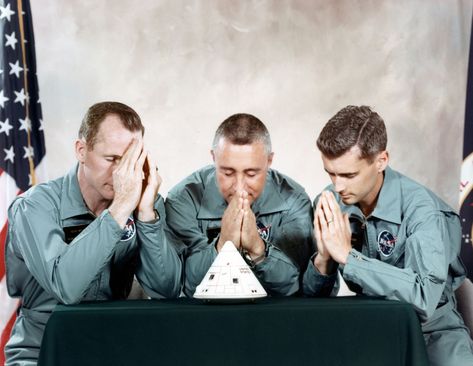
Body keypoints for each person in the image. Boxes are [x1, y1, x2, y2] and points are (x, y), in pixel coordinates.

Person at [4, 101, 182, 365]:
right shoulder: (35, 206)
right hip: (43, 353)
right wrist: (120, 208)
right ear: (81, 150)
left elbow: (166, 291)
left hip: (113, 350)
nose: (123, 173)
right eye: (111, 159)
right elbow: (67, 287)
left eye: (131, 160)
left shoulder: (142, 201)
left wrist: (147, 215)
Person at [303, 105, 473, 366]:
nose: (338, 186)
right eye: (331, 172)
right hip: (368, 330)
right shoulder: (331, 202)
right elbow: (313, 302)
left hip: (432, 332)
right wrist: (324, 260)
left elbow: (424, 298)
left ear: (381, 161)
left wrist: (350, 258)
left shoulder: (423, 211)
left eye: (349, 175)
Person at [165, 113, 314, 297]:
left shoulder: (294, 200)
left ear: (269, 161)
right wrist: (223, 245)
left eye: (251, 174)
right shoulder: (183, 200)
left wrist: (259, 250)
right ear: (214, 158)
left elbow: (295, 288)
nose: (239, 187)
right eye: (228, 173)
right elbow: (186, 286)